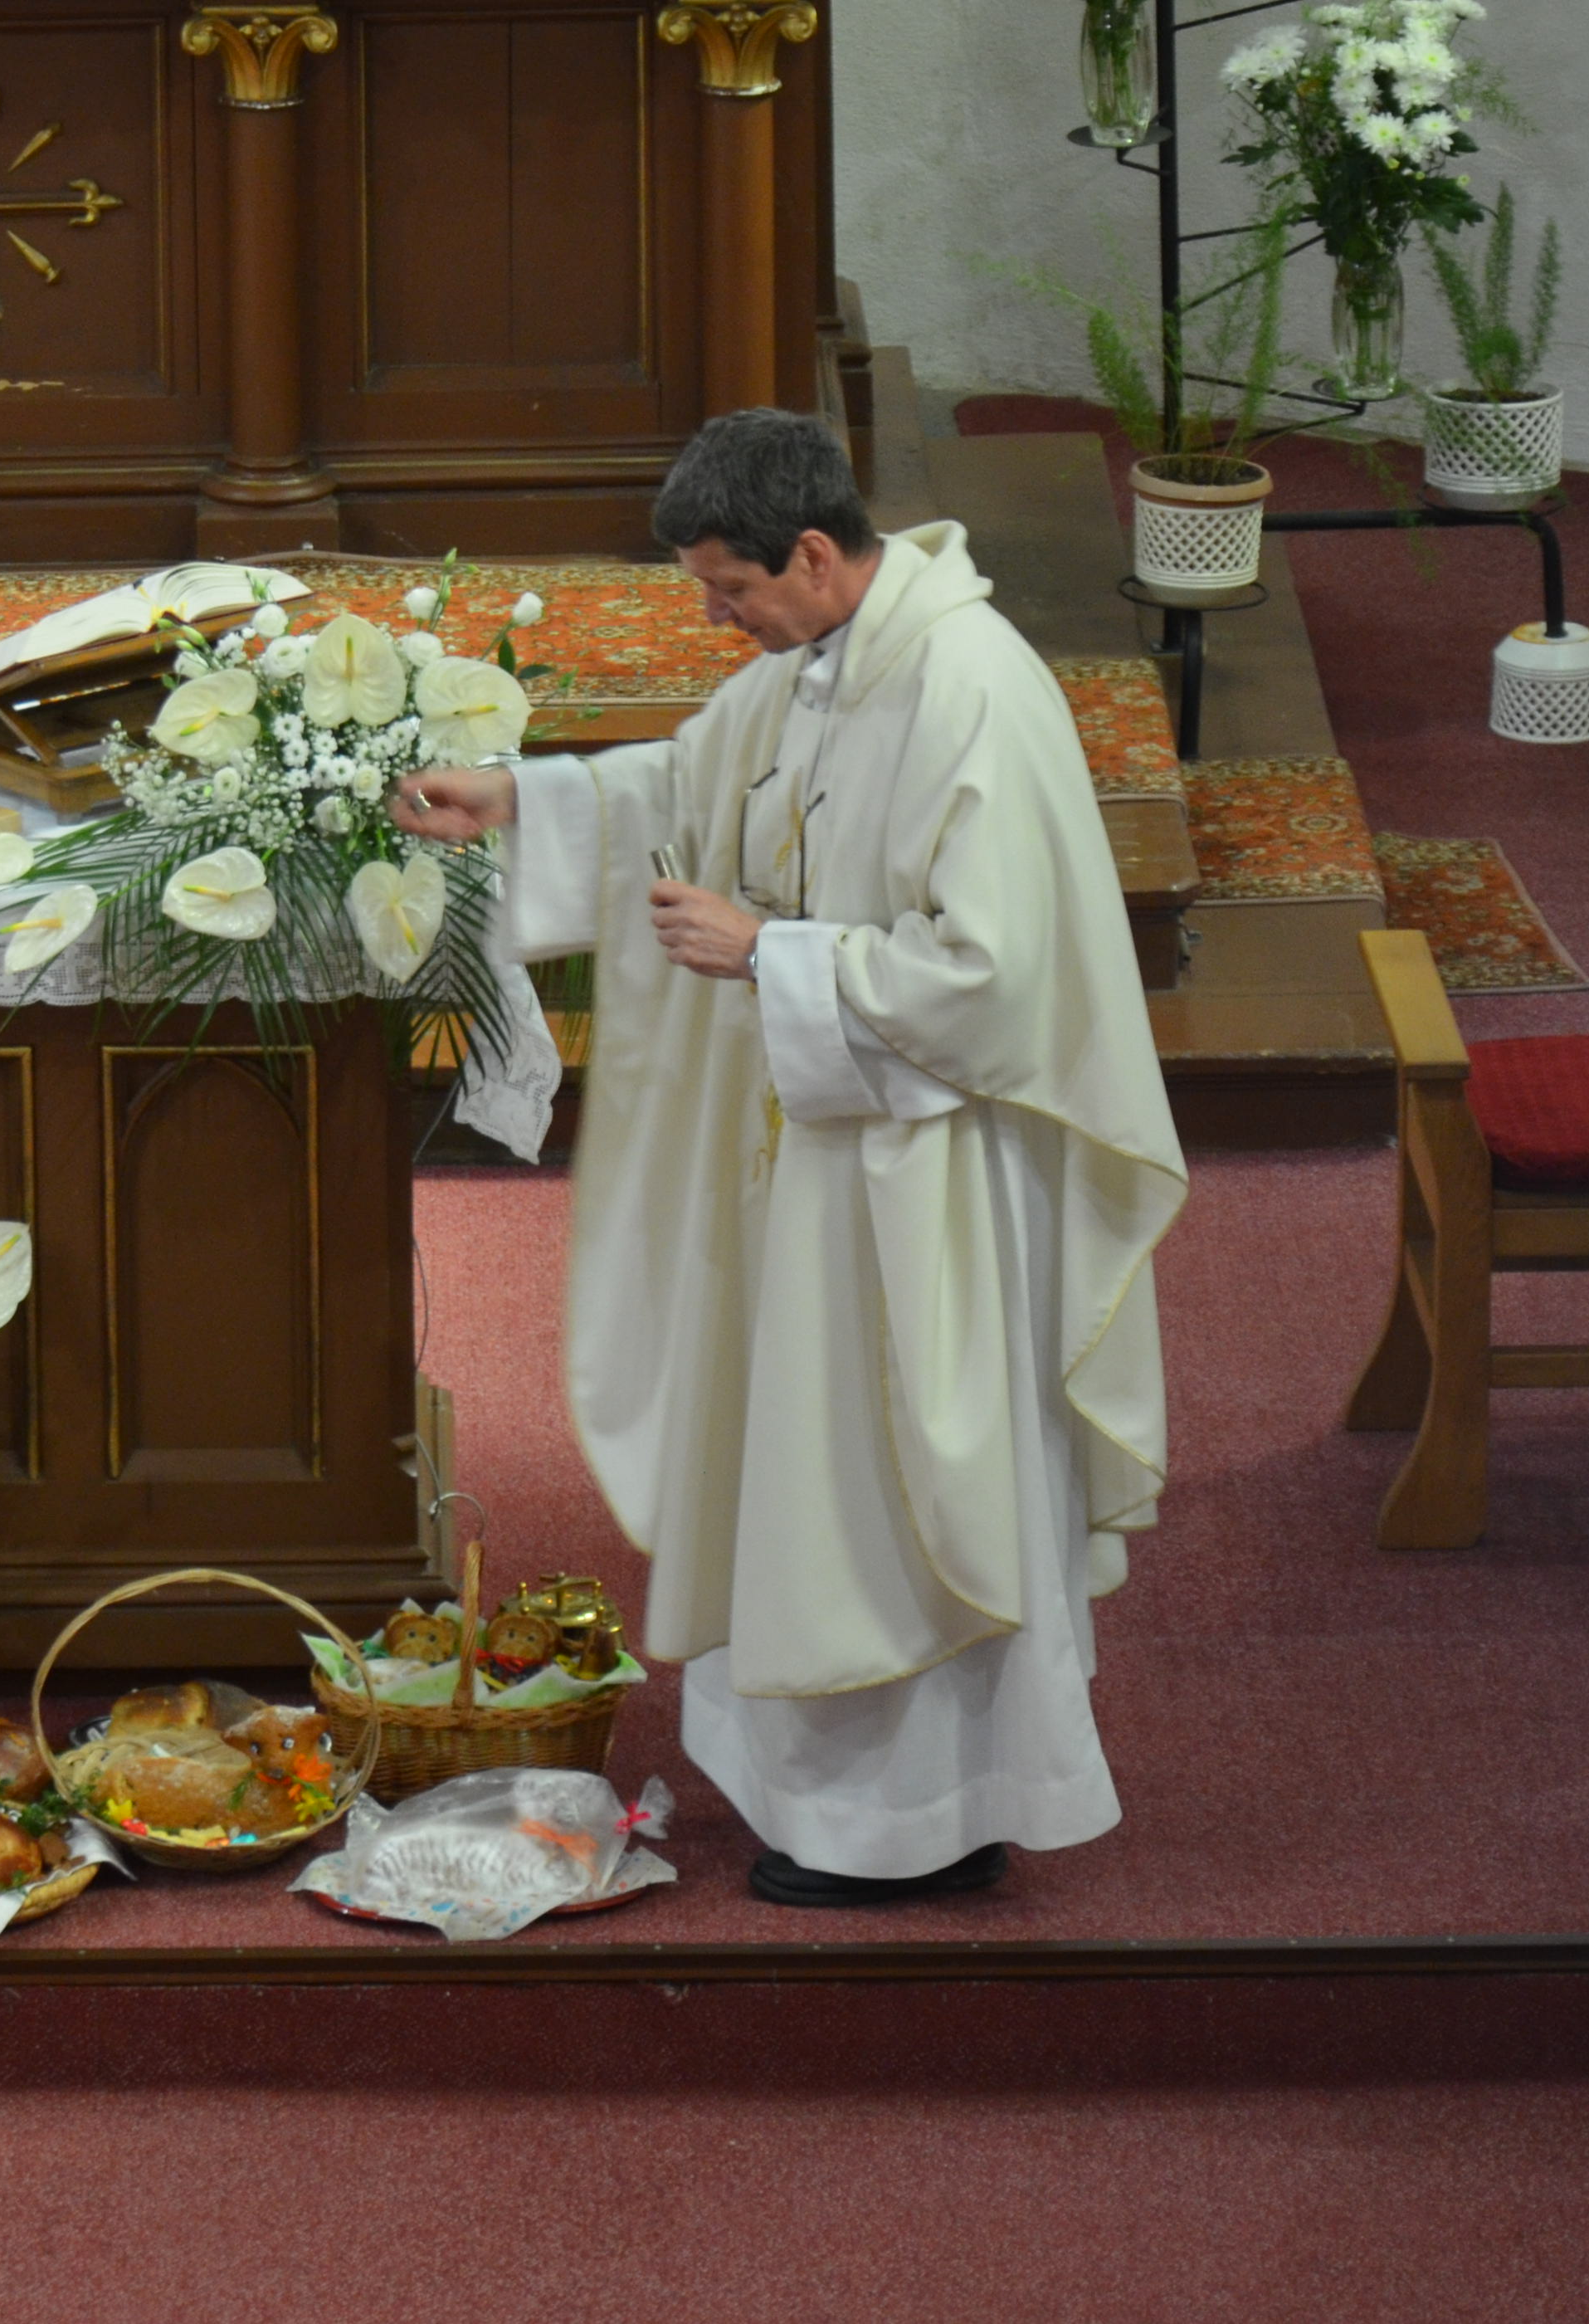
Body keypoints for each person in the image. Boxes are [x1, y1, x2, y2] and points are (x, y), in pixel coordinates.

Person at [394, 409, 1187, 1907]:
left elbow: (996, 977)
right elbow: (691, 786)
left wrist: (771, 950)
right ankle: (836, 1803)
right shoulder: (820, 662)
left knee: (904, 1491)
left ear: (813, 553)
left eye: (730, 588)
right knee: (818, 1479)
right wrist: (523, 798)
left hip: (931, 1173)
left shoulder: (967, 688)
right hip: (823, 1154)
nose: (717, 619)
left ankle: (928, 1821)